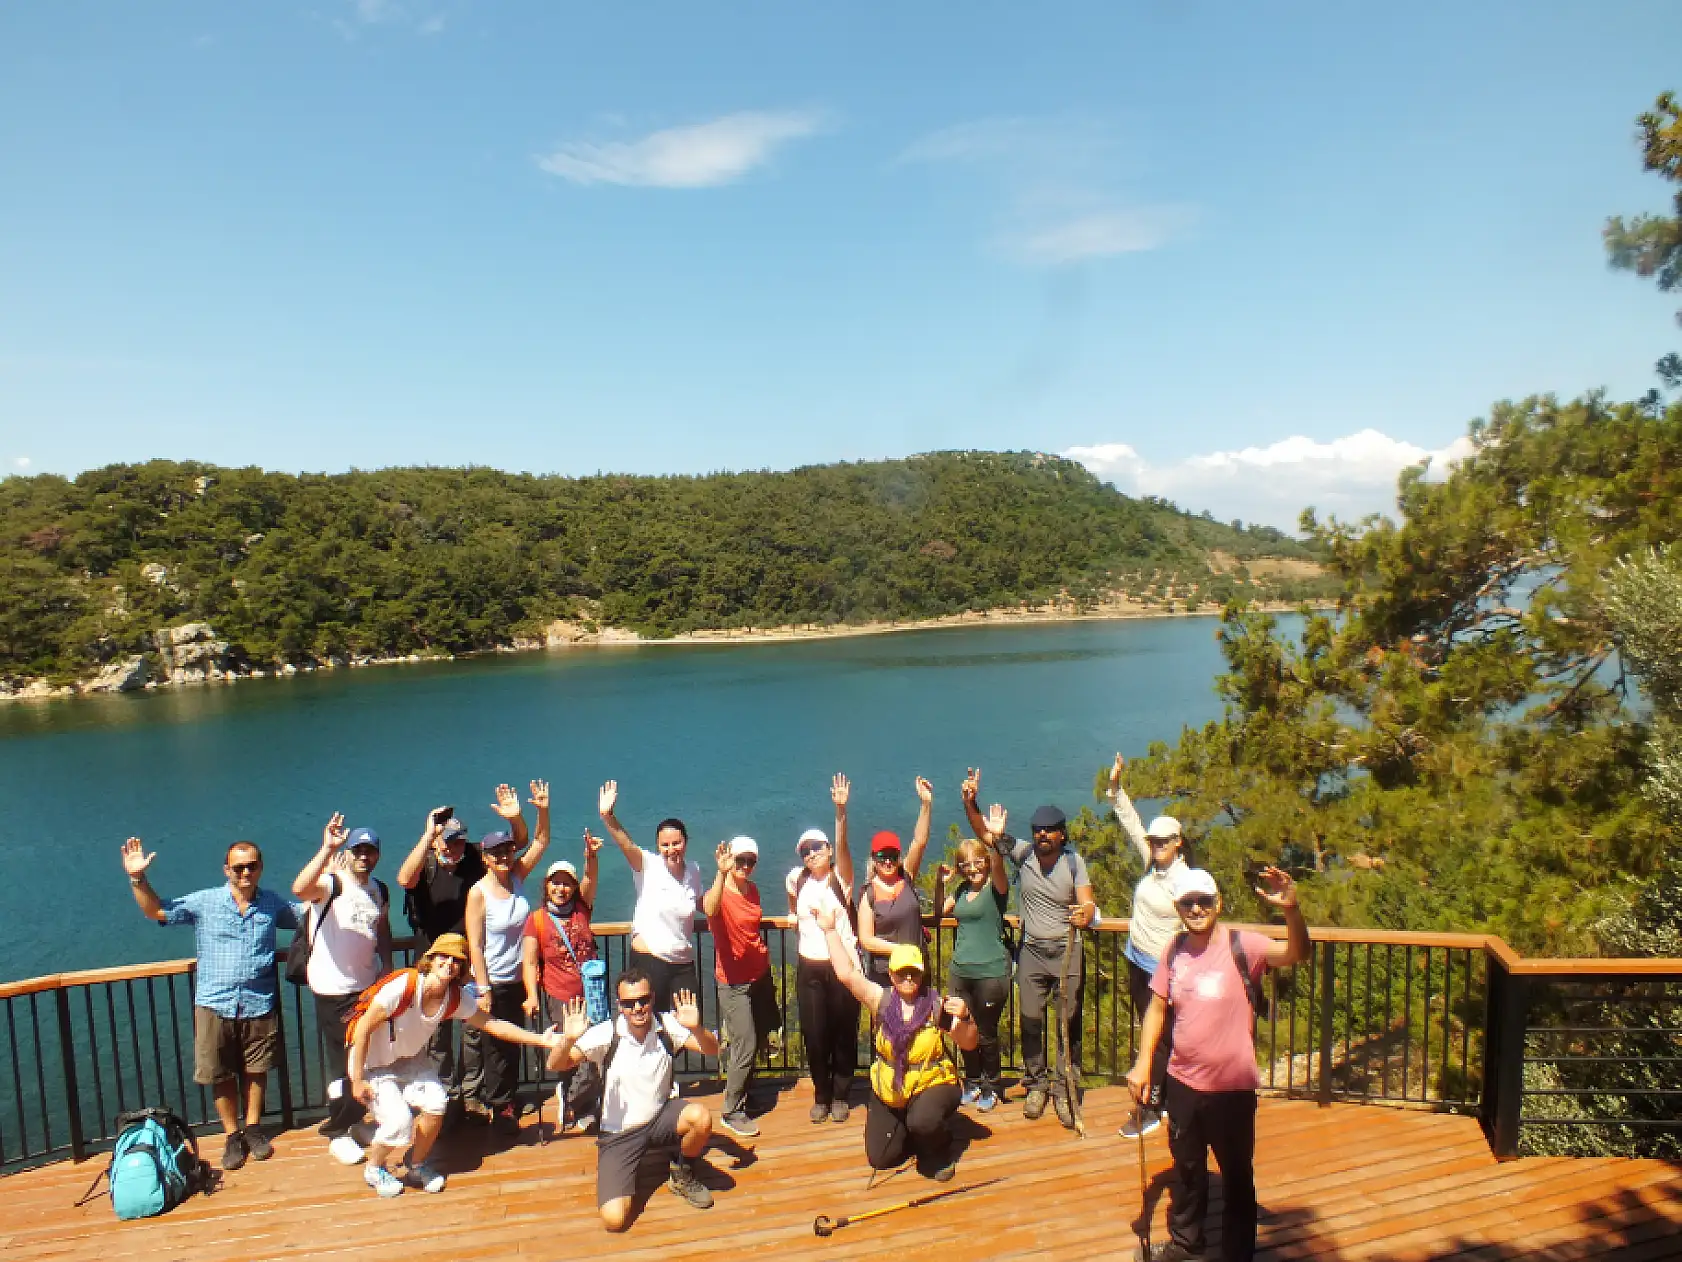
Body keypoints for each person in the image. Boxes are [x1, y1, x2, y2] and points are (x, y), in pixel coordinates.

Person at [1126, 867, 1309, 1262]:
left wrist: (1292, 911)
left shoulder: (1245, 945)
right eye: (1188, 902)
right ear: (1178, 907)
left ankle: (1236, 1252)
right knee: (1188, 1169)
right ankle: (1186, 1243)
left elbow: (1297, 954)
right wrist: (1143, 1065)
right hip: (1182, 1083)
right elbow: (1157, 1008)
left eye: (1203, 901)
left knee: (1237, 1176)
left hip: (1232, 1088)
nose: (1196, 908)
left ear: (1218, 903)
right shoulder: (1173, 950)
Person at [119, 836, 306, 1171]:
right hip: (215, 1003)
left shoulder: (272, 904)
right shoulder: (205, 902)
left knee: (257, 1069)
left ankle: (253, 1129)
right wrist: (137, 878)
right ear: (227, 870)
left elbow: (310, 913)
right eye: (239, 867)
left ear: (261, 867)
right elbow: (156, 910)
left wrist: (337, 882)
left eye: (252, 866)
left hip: (258, 1001)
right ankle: (232, 1135)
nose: (245, 872)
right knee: (219, 1073)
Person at [345, 933, 564, 1198]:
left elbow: (493, 1024)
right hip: (373, 1064)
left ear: (461, 970)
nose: (449, 964)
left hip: (410, 1060)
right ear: (431, 959)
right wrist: (357, 1079)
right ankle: (375, 1168)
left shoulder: (454, 997)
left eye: (456, 961)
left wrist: (541, 1039)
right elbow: (364, 1029)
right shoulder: (404, 986)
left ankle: (416, 1164)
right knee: (399, 1121)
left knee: (437, 1104)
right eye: (443, 957)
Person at [962, 766, 1098, 1130]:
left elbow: (1088, 905)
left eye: (1048, 830)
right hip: (1033, 953)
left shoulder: (1074, 863)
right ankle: (1036, 1083)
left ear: (1061, 834)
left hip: (1067, 952)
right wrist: (970, 801)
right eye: (1037, 830)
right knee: (1031, 1021)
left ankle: (1064, 1088)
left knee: (1066, 1023)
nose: (1041, 835)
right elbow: (986, 836)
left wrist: (1083, 915)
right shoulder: (1023, 856)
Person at [812, 903, 977, 1180]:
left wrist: (967, 1017)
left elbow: (970, 1043)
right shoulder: (882, 1001)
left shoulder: (936, 1007)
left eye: (913, 972)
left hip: (931, 1083)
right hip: (891, 1089)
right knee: (881, 1157)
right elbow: (847, 974)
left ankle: (937, 1147)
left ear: (922, 974)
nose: (908, 978)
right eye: (902, 973)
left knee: (923, 1121)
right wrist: (829, 930)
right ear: (891, 975)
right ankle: (915, 1131)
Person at [545, 972, 720, 1232]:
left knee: (701, 1118)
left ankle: (682, 1172)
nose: (637, 1008)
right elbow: (554, 1064)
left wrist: (696, 1028)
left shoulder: (666, 1025)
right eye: (629, 1003)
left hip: (661, 1116)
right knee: (614, 1220)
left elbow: (712, 1049)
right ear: (619, 1005)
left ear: (652, 999)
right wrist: (569, 1038)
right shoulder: (606, 1034)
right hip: (620, 1134)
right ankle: (621, 1168)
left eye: (643, 1000)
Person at [291, 815, 393, 1140]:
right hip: (334, 990)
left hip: (367, 987)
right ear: (348, 853)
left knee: (365, 1056)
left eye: (370, 851)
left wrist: (387, 964)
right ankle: (338, 1127)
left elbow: (383, 928)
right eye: (357, 850)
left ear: (377, 855)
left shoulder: (379, 890)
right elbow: (299, 888)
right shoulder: (331, 884)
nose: (364, 856)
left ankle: (355, 1120)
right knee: (343, 1061)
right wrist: (326, 848)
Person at [1109, 752, 1192, 1140]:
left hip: (1164, 970)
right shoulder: (1152, 866)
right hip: (1137, 961)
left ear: (1178, 842)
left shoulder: (1185, 881)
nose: (1156, 845)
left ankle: (1151, 1106)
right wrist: (1115, 787)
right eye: (1153, 840)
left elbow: (1199, 924)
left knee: (1159, 1038)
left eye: (1163, 841)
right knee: (1153, 1034)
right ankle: (1169, 1101)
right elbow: (1130, 823)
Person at [465, 780, 551, 1133]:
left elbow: (542, 841)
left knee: (513, 1042)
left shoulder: (516, 876)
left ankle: (507, 1099)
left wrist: (540, 810)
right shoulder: (478, 892)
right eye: (495, 853)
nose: (503, 857)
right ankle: (499, 1106)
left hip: (519, 978)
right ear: (484, 858)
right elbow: (474, 945)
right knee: (496, 1046)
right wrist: (482, 988)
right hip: (493, 982)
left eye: (507, 850)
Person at [396, 805, 486, 1118]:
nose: (453, 846)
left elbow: (516, 846)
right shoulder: (426, 865)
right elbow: (405, 879)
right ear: (436, 842)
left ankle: (472, 1095)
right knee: (435, 1033)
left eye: (459, 840)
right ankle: (446, 1096)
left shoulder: (474, 861)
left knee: (473, 1030)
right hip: (433, 964)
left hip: (467, 961)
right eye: (447, 841)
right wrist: (427, 835)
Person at [785, 773, 860, 1124]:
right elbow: (793, 908)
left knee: (844, 1031)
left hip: (842, 965)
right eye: (806, 851)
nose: (813, 853)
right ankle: (821, 1094)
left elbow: (844, 849)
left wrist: (840, 812)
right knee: (815, 1035)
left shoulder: (840, 877)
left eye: (818, 848)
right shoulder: (796, 880)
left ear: (828, 850)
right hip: (810, 967)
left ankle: (842, 1094)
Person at [597, 780, 705, 1012]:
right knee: (649, 1025)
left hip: (683, 962)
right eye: (665, 845)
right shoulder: (648, 866)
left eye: (676, 843)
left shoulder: (693, 870)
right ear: (657, 847)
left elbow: (701, 902)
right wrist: (608, 816)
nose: (671, 849)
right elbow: (626, 843)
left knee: (686, 1024)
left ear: (685, 842)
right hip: (650, 960)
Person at [933, 801, 1012, 1112]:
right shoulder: (962, 891)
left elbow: (999, 869)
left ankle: (991, 1086)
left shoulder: (997, 889)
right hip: (961, 971)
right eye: (966, 865)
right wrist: (941, 885)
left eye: (978, 862)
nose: (974, 869)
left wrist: (993, 841)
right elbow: (939, 913)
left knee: (988, 1033)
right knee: (961, 1028)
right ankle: (973, 1081)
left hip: (991, 972)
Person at [521, 834, 603, 1134]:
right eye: (555, 882)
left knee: (595, 1051)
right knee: (569, 1053)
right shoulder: (537, 920)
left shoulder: (582, 908)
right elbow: (530, 961)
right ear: (546, 886)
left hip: (593, 995)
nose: (561, 888)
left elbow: (591, 878)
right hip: (560, 997)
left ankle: (576, 1101)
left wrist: (590, 856)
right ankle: (574, 1101)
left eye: (566, 883)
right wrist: (531, 996)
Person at [702, 835, 775, 1138]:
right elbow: (709, 908)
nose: (744, 866)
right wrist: (720, 873)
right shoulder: (720, 891)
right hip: (733, 982)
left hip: (758, 974)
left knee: (756, 1040)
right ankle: (731, 1110)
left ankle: (744, 1092)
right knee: (743, 1042)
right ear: (729, 860)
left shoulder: (752, 890)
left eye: (750, 861)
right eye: (739, 860)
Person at [857, 777, 935, 984]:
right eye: (882, 856)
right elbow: (866, 939)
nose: (888, 861)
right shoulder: (869, 893)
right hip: (886, 972)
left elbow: (920, 841)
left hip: (917, 967)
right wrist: (900, 949)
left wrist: (926, 804)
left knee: (921, 1016)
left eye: (893, 855)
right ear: (874, 859)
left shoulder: (906, 877)